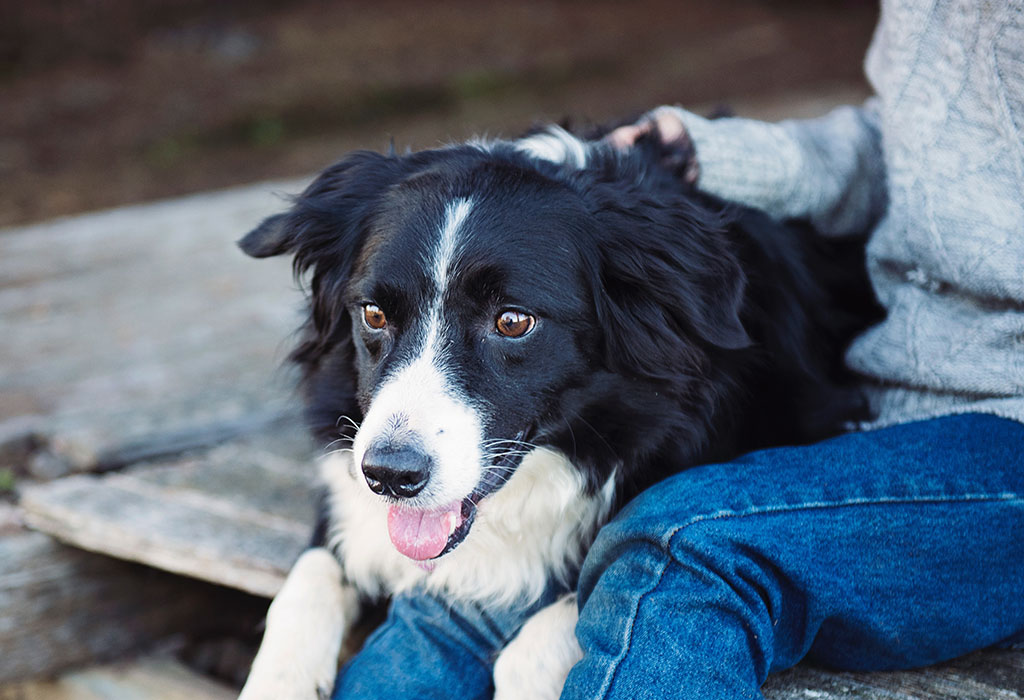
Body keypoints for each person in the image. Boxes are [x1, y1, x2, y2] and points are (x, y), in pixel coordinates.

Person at [335, 2, 1024, 697]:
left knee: (678, 548)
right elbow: (919, 146)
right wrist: (711, 154)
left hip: (1008, 418)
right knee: (451, 612)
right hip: (892, 394)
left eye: (510, 321)